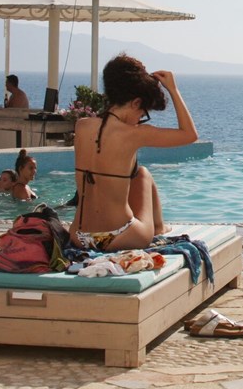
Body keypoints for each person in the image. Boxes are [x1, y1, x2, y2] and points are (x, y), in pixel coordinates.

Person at [69, 53, 198, 251]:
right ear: (136, 103)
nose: (140, 119)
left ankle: (158, 227)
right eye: (142, 113)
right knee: (143, 174)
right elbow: (189, 135)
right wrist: (173, 89)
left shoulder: (82, 126)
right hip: (119, 237)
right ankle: (159, 228)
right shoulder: (134, 134)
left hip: (79, 236)